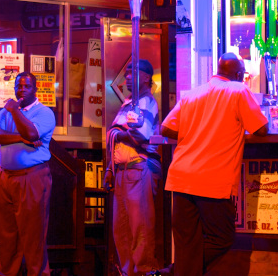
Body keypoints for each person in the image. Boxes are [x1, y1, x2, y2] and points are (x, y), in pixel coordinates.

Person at [160, 53, 268, 276]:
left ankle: (175, 270)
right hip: (212, 179)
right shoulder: (239, 90)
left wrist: (196, 131)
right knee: (222, 238)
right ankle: (174, 271)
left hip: (180, 176)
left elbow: (166, 128)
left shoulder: (193, 94)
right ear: (239, 74)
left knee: (186, 241)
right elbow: (261, 129)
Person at [0, 71, 56, 276]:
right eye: (19, 86)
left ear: (35, 89)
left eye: (27, 86)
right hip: (6, 178)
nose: (22, 90)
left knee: (33, 234)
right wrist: (21, 139)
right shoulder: (7, 110)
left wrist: (15, 112)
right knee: (6, 234)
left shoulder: (44, 113)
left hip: (32, 176)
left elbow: (32, 133)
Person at [107, 60, 162, 276]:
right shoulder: (128, 103)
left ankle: (144, 272)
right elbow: (116, 134)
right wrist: (110, 170)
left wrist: (118, 132)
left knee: (141, 230)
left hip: (139, 168)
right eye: (127, 73)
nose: (128, 77)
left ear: (147, 78)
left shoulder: (147, 102)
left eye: (134, 73)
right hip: (122, 172)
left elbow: (141, 136)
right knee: (121, 231)